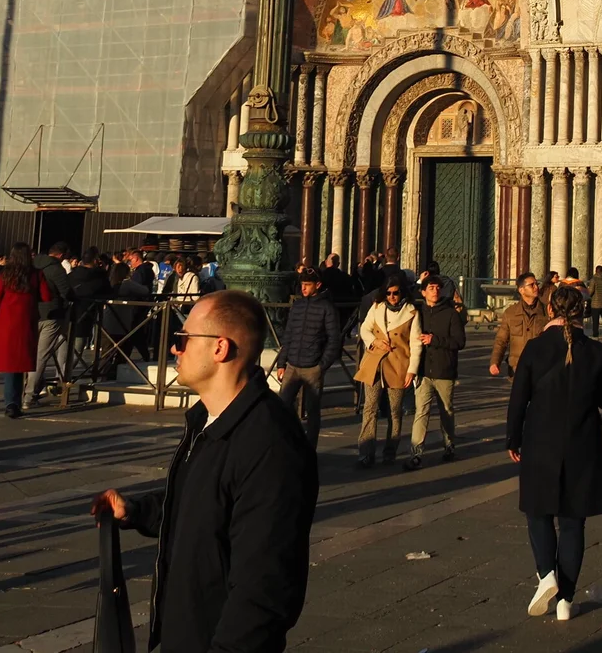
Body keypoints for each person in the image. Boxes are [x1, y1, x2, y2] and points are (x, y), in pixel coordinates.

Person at [94, 291, 319, 651]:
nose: (174, 350)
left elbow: (265, 587)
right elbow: (200, 503)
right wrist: (137, 511)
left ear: (220, 348)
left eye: (183, 340)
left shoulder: (270, 443)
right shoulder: (207, 419)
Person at [507, 283, 602, 621]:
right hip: (582, 444)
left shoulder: (535, 348)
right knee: (573, 522)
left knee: (538, 512)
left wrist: (513, 439)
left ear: (550, 310)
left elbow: (518, 398)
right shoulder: (596, 351)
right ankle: (566, 600)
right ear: (582, 312)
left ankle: (546, 575)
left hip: (540, 441)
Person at [274, 266, 342, 448]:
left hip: (313, 366)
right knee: (283, 404)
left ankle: (310, 447)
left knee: (312, 411)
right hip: (293, 364)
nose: (303, 288)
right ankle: (290, 441)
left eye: (307, 285)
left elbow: (334, 339)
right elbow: (288, 335)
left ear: (317, 285)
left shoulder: (327, 307)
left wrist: (322, 365)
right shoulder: (298, 305)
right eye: (302, 284)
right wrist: (282, 362)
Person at [357, 278, 420, 467]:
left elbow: (416, 343)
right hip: (374, 363)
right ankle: (366, 452)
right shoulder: (377, 308)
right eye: (389, 293)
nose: (392, 297)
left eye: (396, 293)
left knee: (394, 411)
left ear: (402, 293)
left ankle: (390, 452)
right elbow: (364, 329)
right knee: (370, 407)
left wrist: (412, 370)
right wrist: (374, 341)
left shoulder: (411, 312)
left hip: (398, 364)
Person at [409, 274, 465, 467]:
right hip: (424, 370)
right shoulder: (417, 313)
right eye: (430, 288)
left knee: (446, 410)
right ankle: (416, 451)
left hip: (444, 369)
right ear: (423, 292)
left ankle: (449, 445)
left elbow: (459, 341)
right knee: (421, 411)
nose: (435, 291)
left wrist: (435, 340)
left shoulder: (450, 314)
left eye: (437, 288)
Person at [0, 244, 49, 419]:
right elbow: (46, 297)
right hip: (26, 321)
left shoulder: (5, 274)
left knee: (10, 366)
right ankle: (18, 400)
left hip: (7, 323)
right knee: (22, 362)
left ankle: (11, 402)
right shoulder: (36, 274)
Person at [30, 242, 74, 404]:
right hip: (52, 313)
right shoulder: (57, 269)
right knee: (43, 355)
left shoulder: (33, 264)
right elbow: (66, 292)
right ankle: (30, 394)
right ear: (61, 255)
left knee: (33, 353)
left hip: (33, 312)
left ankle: (31, 388)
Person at [490, 271, 549, 376]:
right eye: (532, 285)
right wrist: (495, 362)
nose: (536, 287)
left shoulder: (547, 311)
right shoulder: (511, 313)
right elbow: (501, 340)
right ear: (521, 290)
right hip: (517, 368)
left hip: (541, 368)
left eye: (537, 284)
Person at [586, 265, 602, 337]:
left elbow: (591, 292)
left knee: (595, 321)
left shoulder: (593, 280)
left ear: (596, 270)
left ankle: (595, 334)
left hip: (595, 303)